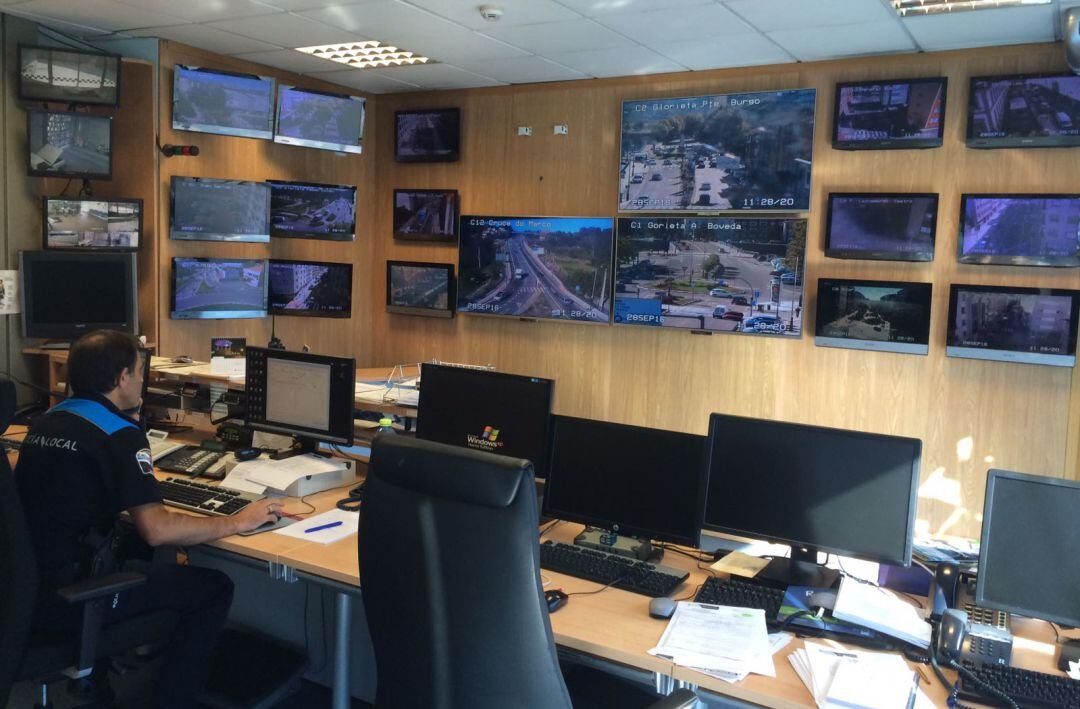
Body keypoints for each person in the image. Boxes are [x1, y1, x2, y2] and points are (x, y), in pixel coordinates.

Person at [15, 329, 282, 708]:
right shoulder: (118, 434)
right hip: (76, 598)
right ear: (123, 378)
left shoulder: (47, 421)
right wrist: (236, 521)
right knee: (213, 588)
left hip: (26, 590)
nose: (143, 379)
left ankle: (101, 685)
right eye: (140, 371)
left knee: (130, 545)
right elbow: (157, 529)